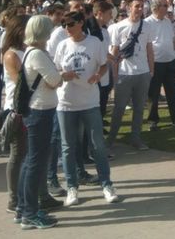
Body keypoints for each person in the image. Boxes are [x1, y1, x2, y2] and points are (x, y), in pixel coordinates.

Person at [53, 11, 119, 206]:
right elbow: (56, 69)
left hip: (89, 101)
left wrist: (98, 75)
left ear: (81, 23)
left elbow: (104, 64)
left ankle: (107, 184)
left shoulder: (94, 43)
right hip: (66, 103)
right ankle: (72, 187)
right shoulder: (62, 45)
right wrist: (64, 75)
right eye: (64, 25)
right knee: (67, 147)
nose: (67, 28)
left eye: (71, 24)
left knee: (97, 145)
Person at [17, 15, 64, 230]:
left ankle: (23, 208)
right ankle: (30, 213)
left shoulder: (30, 52)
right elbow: (54, 80)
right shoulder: (37, 54)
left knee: (30, 161)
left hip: (37, 110)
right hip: (40, 111)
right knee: (36, 163)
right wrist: (60, 75)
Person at [107, 0, 155, 151]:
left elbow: (149, 48)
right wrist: (115, 75)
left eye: (142, 6)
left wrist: (151, 69)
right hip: (124, 73)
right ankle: (111, 140)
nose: (140, 9)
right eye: (137, 6)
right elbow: (114, 52)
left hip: (143, 72)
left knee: (140, 108)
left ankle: (136, 138)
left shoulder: (147, 26)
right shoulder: (117, 27)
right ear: (129, 8)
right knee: (119, 108)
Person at [145, 0, 175, 131]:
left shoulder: (167, 22)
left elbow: (172, 39)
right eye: (165, 6)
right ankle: (153, 120)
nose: (167, 8)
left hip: (170, 60)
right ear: (156, 8)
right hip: (155, 62)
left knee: (173, 92)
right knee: (153, 93)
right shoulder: (147, 23)